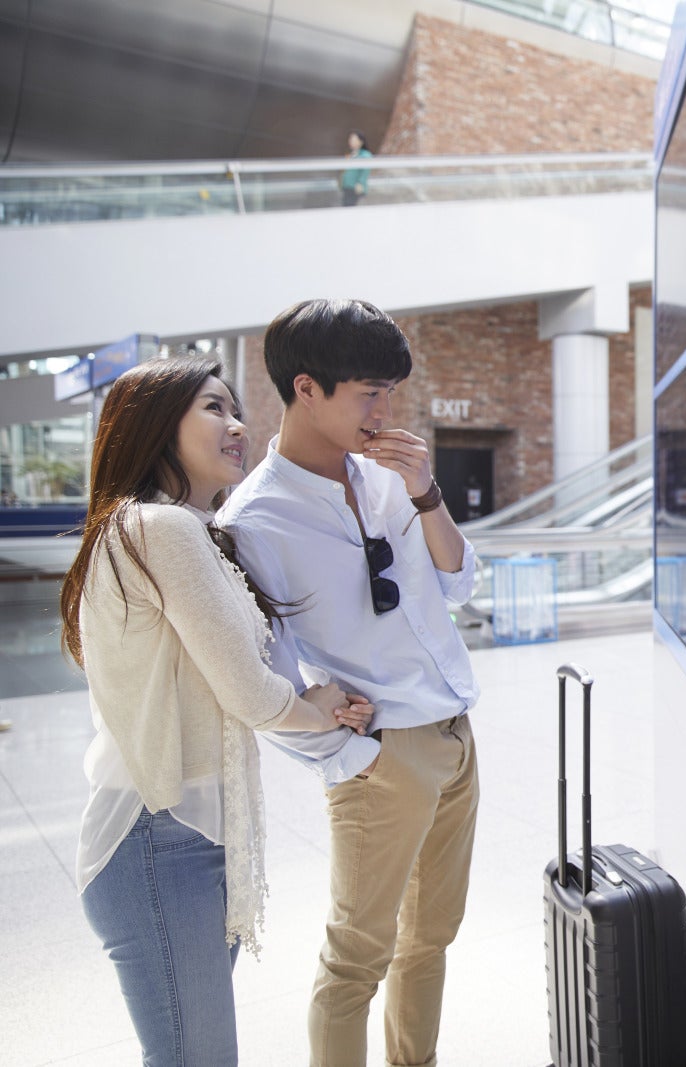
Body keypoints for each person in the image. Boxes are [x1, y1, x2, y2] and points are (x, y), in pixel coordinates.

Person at [59, 356, 373, 1066]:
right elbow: (251, 693)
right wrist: (321, 707)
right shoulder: (159, 529)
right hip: (155, 840)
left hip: (185, 838)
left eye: (236, 409)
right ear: (153, 424)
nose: (237, 425)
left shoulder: (176, 529)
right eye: (213, 407)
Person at [218, 298, 480, 1067]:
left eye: (392, 391)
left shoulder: (390, 477)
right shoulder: (254, 521)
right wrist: (347, 760)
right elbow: (262, 679)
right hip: (382, 755)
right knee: (355, 959)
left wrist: (427, 492)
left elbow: (460, 585)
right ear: (307, 388)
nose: (386, 410)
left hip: (456, 733)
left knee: (430, 937)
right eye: (371, 392)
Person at [339, 130, 373, 207]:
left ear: (361, 142)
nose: (351, 141)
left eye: (354, 139)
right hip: (347, 187)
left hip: (356, 188)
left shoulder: (365, 155)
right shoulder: (351, 154)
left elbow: (365, 170)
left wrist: (360, 183)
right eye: (350, 139)